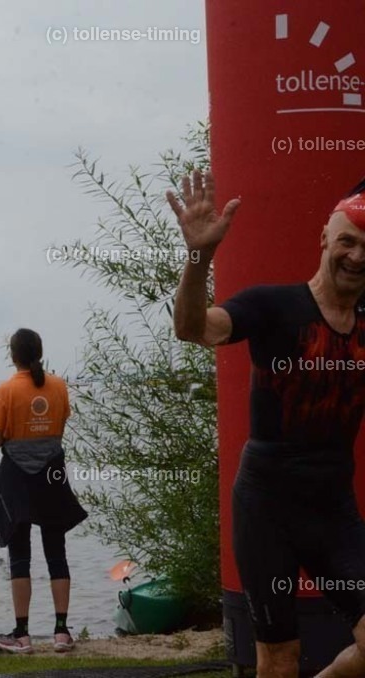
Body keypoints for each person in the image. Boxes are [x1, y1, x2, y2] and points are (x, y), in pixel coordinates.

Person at [172, 171, 365, 678]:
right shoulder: (273, 306)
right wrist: (199, 255)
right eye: (347, 241)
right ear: (325, 237)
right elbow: (192, 328)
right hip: (267, 507)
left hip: (333, 510)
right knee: (277, 658)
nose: (358, 256)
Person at [0, 329, 87, 654]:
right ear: (39, 353)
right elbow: (59, 427)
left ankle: (22, 635)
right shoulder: (59, 386)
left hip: (16, 478)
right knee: (57, 553)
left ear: (13, 356)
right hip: (52, 475)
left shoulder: (4, 391)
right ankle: (61, 633)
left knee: (20, 557)